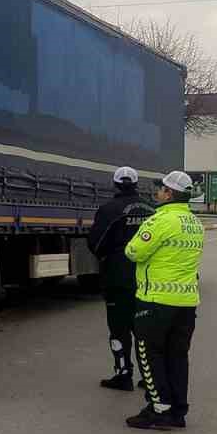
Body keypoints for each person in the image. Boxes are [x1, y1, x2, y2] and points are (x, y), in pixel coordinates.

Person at [124, 170, 203, 430]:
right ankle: (178, 411)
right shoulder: (194, 223)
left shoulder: (160, 220)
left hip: (156, 300)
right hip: (186, 303)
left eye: (160, 189)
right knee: (178, 357)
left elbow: (133, 251)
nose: (157, 193)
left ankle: (158, 409)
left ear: (169, 193)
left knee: (150, 355)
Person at [86, 166, 151, 391]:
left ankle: (123, 374)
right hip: (147, 280)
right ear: (136, 183)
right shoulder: (153, 210)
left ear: (115, 184)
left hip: (117, 279)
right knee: (145, 329)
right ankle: (149, 377)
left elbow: (95, 242)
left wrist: (110, 259)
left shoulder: (109, 210)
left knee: (119, 329)